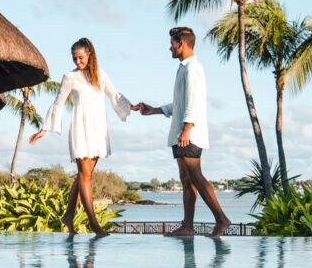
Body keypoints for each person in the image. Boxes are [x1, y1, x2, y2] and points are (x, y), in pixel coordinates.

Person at [30, 38, 138, 238]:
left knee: (83, 176)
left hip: (98, 129)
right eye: (74, 58)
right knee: (84, 175)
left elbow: (114, 95)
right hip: (81, 128)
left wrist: (131, 107)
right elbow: (58, 103)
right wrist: (44, 129)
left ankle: (68, 216)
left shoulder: (100, 74)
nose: (78, 61)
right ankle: (94, 223)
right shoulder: (69, 77)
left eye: (81, 57)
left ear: (89, 54)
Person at [139, 27, 232, 237]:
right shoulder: (183, 69)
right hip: (181, 133)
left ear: (181, 43)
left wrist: (186, 129)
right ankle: (188, 226)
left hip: (188, 134)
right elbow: (181, 103)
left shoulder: (193, 69)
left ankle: (221, 219)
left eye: (172, 43)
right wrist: (155, 110)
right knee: (186, 179)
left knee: (196, 176)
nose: (169, 48)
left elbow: (194, 102)